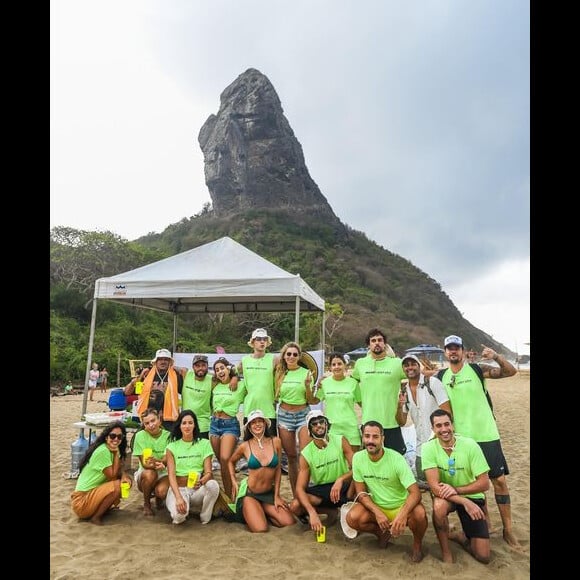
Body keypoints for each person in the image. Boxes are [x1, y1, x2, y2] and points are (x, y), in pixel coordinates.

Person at [437, 335, 520, 548]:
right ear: (445, 352)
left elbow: (511, 371)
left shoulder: (477, 369)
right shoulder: (441, 376)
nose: (453, 351)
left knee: (499, 481)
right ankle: (487, 524)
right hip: (462, 441)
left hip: (487, 435)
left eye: (457, 348)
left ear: (463, 351)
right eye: (449, 348)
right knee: (476, 485)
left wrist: (496, 357)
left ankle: (508, 530)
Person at [344, 421, 427, 561]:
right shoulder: (358, 458)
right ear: (362, 438)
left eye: (375, 437)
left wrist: (402, 515)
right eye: (367, 436)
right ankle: (381, 533)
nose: (370, 441)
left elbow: (415, 493)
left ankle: (417, 545)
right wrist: (377, 512)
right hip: (378, 506)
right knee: (352, 518)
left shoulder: (396, 459)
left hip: (400, 505)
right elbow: (361, 493)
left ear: (383, 438)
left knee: (419, 514)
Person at [422, 409, 491, 564]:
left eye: (447, 424)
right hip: (448, 497)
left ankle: (460, 537)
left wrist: (459, 491)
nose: (444, 429)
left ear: (452, 425)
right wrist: (464, 502)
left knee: (483, 556)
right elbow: (434, 487)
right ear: (433, 429)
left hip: (471, 495)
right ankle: (447, 554)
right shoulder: (428, 448)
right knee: (438, 506)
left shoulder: (470, 445)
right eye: (438, 426)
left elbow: (484, 483)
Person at [227, 410, 295, 532]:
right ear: (249, 427)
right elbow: (231, 461)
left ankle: (263, 511)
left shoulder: (276, 442)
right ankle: (255, 511)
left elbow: (278, 470)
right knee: (260, 529)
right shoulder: (245, 446)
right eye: (253, 422)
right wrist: (233, 481)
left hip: (269, 493)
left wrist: (277, 496)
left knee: (289, 522)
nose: (257, 424)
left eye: (260, 421)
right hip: (251, 494)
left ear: (265, 423)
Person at [289, 410, 355, 531]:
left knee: (359, 482)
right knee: (295, 506)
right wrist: (312, 512)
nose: (319, 425)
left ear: (326, 424)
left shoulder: (340, 440)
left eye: (321, 422)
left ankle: (353, 510)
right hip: (324, 491)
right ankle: (331, 512)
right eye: (314, 424)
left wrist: (341, 479)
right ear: (310, 429)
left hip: (344, 487)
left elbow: (358, 469)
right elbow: (299, 488)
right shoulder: (306, 453)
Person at [395, 354, 451, 489]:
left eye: (413, 364)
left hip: (439, 444)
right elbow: (402, 422)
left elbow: (447, 413)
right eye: (406, 365)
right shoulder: (404, 390)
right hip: (421, 447)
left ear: (419, 366)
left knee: (447, 483)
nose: (410, 367)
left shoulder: (432, 383)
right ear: (403, 369)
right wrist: (398, 406)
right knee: (427, 483)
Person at [351, 328, 407, 455]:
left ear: (385, 344)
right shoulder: (360, 363)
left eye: (380, 340)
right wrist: (361, 402)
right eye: (373, 341)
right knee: (371, 462)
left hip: (391, 422)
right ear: (369, 345)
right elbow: (351, 384)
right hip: (369, 423)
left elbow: (414, 376)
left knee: (396, 460)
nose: (377, 343)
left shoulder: (397, 363)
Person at [274, 341, 319, 496]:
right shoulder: (279, 373)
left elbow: (311, 399)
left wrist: (307, 386)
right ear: (284, 356)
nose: (291, 357)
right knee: (292, 457)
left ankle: (303, 493)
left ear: (299, 357)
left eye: (295, 354)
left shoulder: (306, 373)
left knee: (305, 456)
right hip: (284, 416)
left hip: (303, 415)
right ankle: (296, 495)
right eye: (288, 354)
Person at [70, 421, 133, 525]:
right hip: (81, 501)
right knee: (117, 486)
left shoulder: (111, 450)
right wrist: (117, 454)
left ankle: (102, 509)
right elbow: (112, 476)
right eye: (113, 436)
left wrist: (124, 477)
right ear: (106, 437)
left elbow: (119, 471)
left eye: (119, 436)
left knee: (126, 481)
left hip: (90, 495)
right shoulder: (104, 451)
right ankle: (96, 517)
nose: (116, 439)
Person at [165, 409, 220, 525]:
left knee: (213, 485)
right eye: (184, 423)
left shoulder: (204, 443)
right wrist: (179, 497)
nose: (187, 426)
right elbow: (171, 476)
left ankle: (205, 516)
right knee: (179, 517)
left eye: (190, 423)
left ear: (195, 425)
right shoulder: (172, 447)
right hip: (179, 489)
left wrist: (202, 481)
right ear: (179, 426)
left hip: (196, 488)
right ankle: (184, 506)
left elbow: (209, 472)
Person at [124, 349, 185, 431]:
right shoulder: (146, 374)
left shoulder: (176, 375)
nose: (163, 362)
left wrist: (184, 375)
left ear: (170, 362)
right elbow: (127, 392)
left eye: (166, 359)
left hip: (168, 419)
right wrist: (135, 380)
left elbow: (186, 393)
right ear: (155, 361)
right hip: (148, 418)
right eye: (160, 359)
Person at [210, 357, 243, 499]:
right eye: (217, 370)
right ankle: (229, 494)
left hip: (230, 425)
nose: (219, 371)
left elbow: (244, 370)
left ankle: (231, 495)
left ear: (228, 369)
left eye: (222, 368)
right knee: (223, 463)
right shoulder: (215, 387)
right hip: (214, 424)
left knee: (225, 459)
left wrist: (235, 376)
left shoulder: (240, 385)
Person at [316, 352, 362, 452]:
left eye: (339, 364)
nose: (337, 367)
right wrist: (310, 387)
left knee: (353, 462)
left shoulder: (353, 383)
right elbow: (314, 401)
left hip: (351, 428)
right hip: (332, 429)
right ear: (330, 368)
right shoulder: (324, 383)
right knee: (335, 464)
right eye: (334, 364)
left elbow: (362, 404)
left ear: (345, 365)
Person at [237, 328, 278, 436]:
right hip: (249, 409)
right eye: (259, 339)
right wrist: (233, 378)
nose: (262, 341)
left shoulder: (274, 359)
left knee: (271, 446)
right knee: (249, 446)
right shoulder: (244, 360)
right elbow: (230, 372)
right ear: (253, 342)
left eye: (264, 339)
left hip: (268, 410)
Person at [131, 407, 171, 516]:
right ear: (144, 425)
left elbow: (167, 459)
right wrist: (160, 462)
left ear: (159, 420)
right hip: (146, 472)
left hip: (163, 472)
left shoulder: (168, 435)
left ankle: (159, 499)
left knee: (162, 492)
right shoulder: (139, 436)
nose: (151, 425)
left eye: (153, 420)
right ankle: (147, 504)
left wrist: (157, 461)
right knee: (150, 474)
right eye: (147, 423)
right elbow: (145, 464)